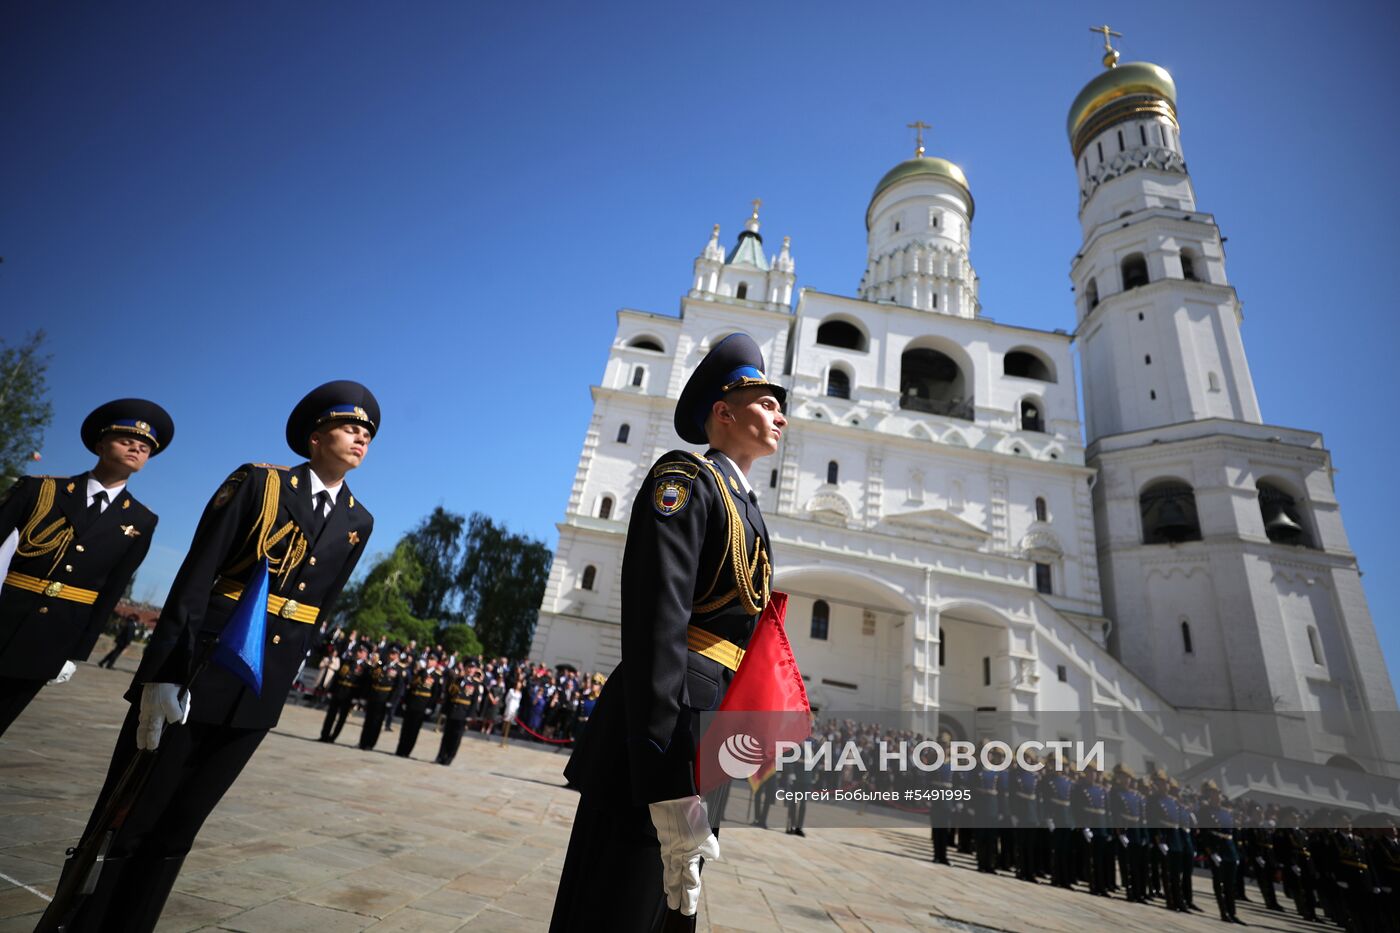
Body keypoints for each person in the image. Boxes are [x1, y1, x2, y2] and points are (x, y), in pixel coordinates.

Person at [39, 381, 376, 933]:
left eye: (367, 433)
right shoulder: (260, 483)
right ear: (315, 437)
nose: (361, 437)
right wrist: (163, 671)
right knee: (132, 814)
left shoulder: (360, 521)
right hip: (200, 667)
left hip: (259, 687)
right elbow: (199, 571)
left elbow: (320, 609)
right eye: (348, 427)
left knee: (181, 826)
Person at [550, 333, 785, 931]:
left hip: (709, 730)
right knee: (615, 909)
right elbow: (659, 622)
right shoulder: (686, 480)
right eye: (764, 402)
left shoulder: (747, 505)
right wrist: (660, 771)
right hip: (666, 729)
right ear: (723, 413)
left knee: (666, 913)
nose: (779, 413)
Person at [0, 399, 171, 737]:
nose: (136, 449)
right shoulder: (40, 489)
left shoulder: (140, 520)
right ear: (100, 444)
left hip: (53, 637)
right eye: (126, 441)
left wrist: (77, 652)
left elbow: (111, 591)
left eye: (144, 448)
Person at [320, 642, 370, 742]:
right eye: (359, 651)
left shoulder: (366, 668)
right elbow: (337, 676)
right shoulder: (347, 661)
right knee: (331, 714)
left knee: (342, 718)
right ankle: (324, 735)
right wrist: (331, 690)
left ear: (366, 655)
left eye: (362, 652)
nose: (359, 653)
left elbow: (364, 685)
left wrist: (358, 698)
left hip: (350, 694)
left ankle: (333, 737)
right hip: (339, 690)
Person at [395, 656, 442, 758]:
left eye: (432, 660)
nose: (429, 661)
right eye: (429, 659)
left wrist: (430, 707)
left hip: (423, 705)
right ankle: (400, 749)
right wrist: (405, 701)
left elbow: (435, 694)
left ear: (436, 663)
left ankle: (406, 751)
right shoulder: (420, 672)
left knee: (414, 730)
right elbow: (411, 687)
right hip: (412, 702)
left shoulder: (436, 676)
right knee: (405, 728)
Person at [358, 645, 402, 750]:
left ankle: (370, 743)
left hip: (384, 697)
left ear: (397, 656)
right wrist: (365, 696)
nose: (391, 656)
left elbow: (397, 688)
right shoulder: (381, 664)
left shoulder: (398, 669)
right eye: (390, 653)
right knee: (368, 720)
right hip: (374, 694)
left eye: (394, 654)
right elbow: (371, 679)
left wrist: (391, 701)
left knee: (377, 722)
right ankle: (362, 742)